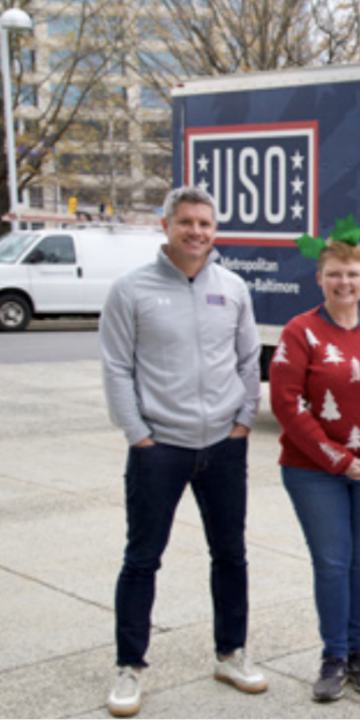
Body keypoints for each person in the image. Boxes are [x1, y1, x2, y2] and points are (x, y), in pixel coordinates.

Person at [100, 186, 265, 717]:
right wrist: (137, 434)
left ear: (215, 230)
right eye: (186, 222)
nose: (197, 231)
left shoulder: (233, 287)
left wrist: (243, 422)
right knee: (142, 559)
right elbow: (117, 367)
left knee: (231, 554)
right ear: (166, 225)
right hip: (159, 447)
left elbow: (247, 359)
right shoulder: (132, 290)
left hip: (222, 444)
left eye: (205, 223)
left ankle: (230, 653)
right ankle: (130, 666)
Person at [269, 240, 360, 702]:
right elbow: (287, 404)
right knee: (331, 562)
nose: (343, 282)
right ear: (319, 279)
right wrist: (339, 459)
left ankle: (359, 652)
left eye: (352, 274)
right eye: (334, 274)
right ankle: (333, 655)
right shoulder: (299, 331)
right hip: (313, 470)